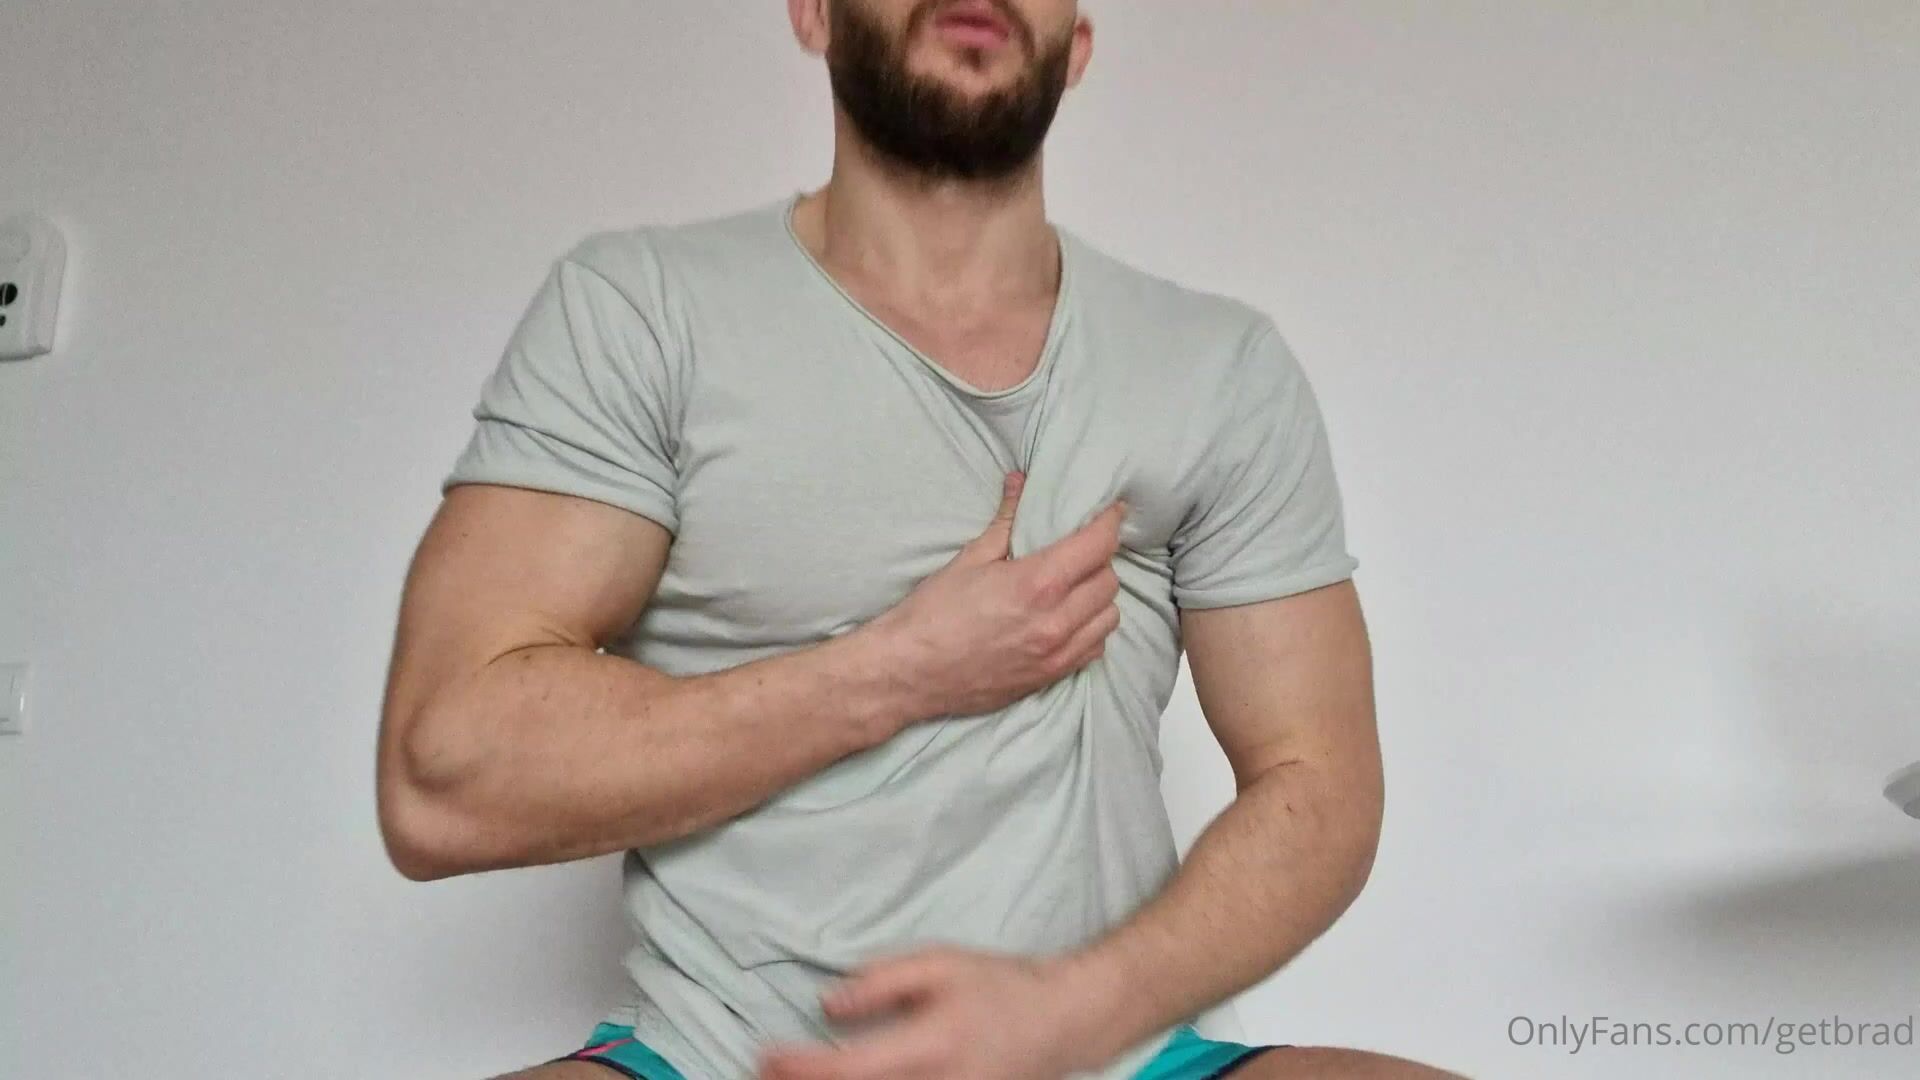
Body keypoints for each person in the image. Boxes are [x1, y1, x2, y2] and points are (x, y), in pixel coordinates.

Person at [377, 2, 1464, 1077]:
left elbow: (1319, 786)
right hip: (714, 1057)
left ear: (1076, 49)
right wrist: (897, 673)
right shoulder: (640, 312)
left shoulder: (1217, 368)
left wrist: (1073, 1014)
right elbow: (442, 782)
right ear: (813, 15)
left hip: (1119, 1057)